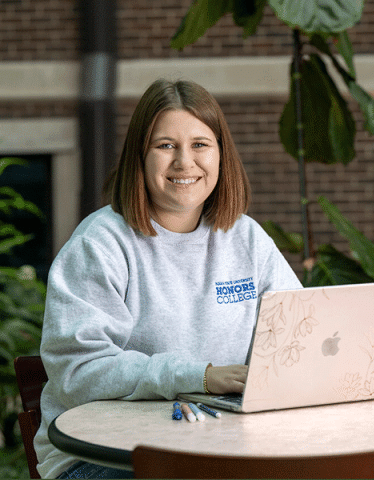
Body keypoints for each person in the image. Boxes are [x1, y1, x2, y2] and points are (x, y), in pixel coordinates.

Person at [34, 79, 303, 479]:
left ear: (220, 155)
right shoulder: (101, 243)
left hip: (221, 444)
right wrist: (200, 378)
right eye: (165, 145)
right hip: (105, 453)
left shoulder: (245, 238)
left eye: (199, 144)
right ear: (139, 157)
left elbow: (299, 333)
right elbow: (78, 370)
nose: (184, 162)